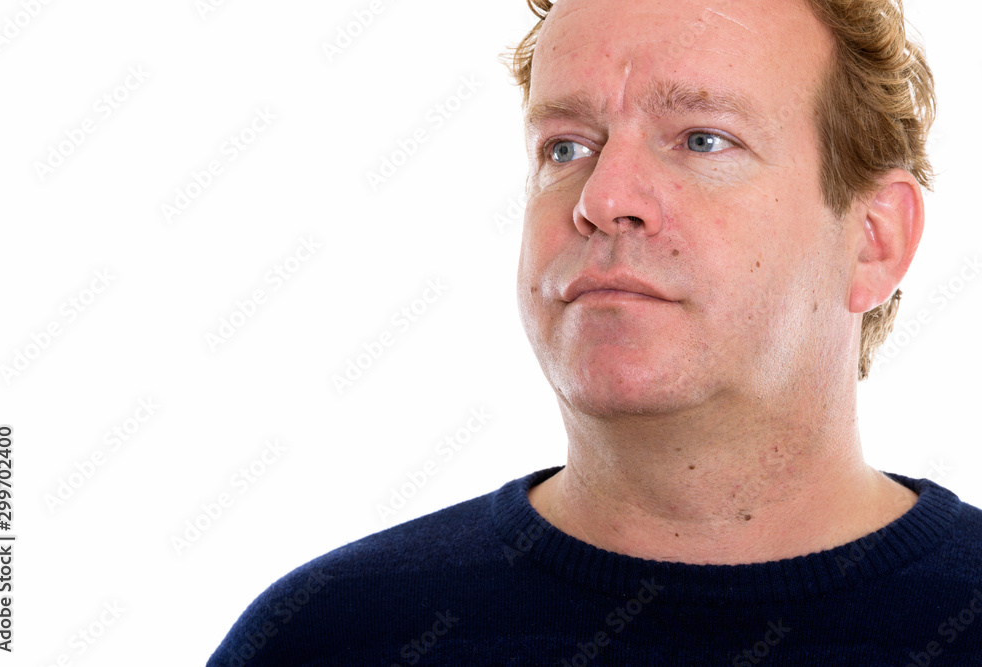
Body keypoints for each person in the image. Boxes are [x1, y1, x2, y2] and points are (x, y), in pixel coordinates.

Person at [207, 0, 982, 664]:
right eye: (567, 147)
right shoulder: (328, 637)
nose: (604, 198)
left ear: (875, 238)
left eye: (702, 139)